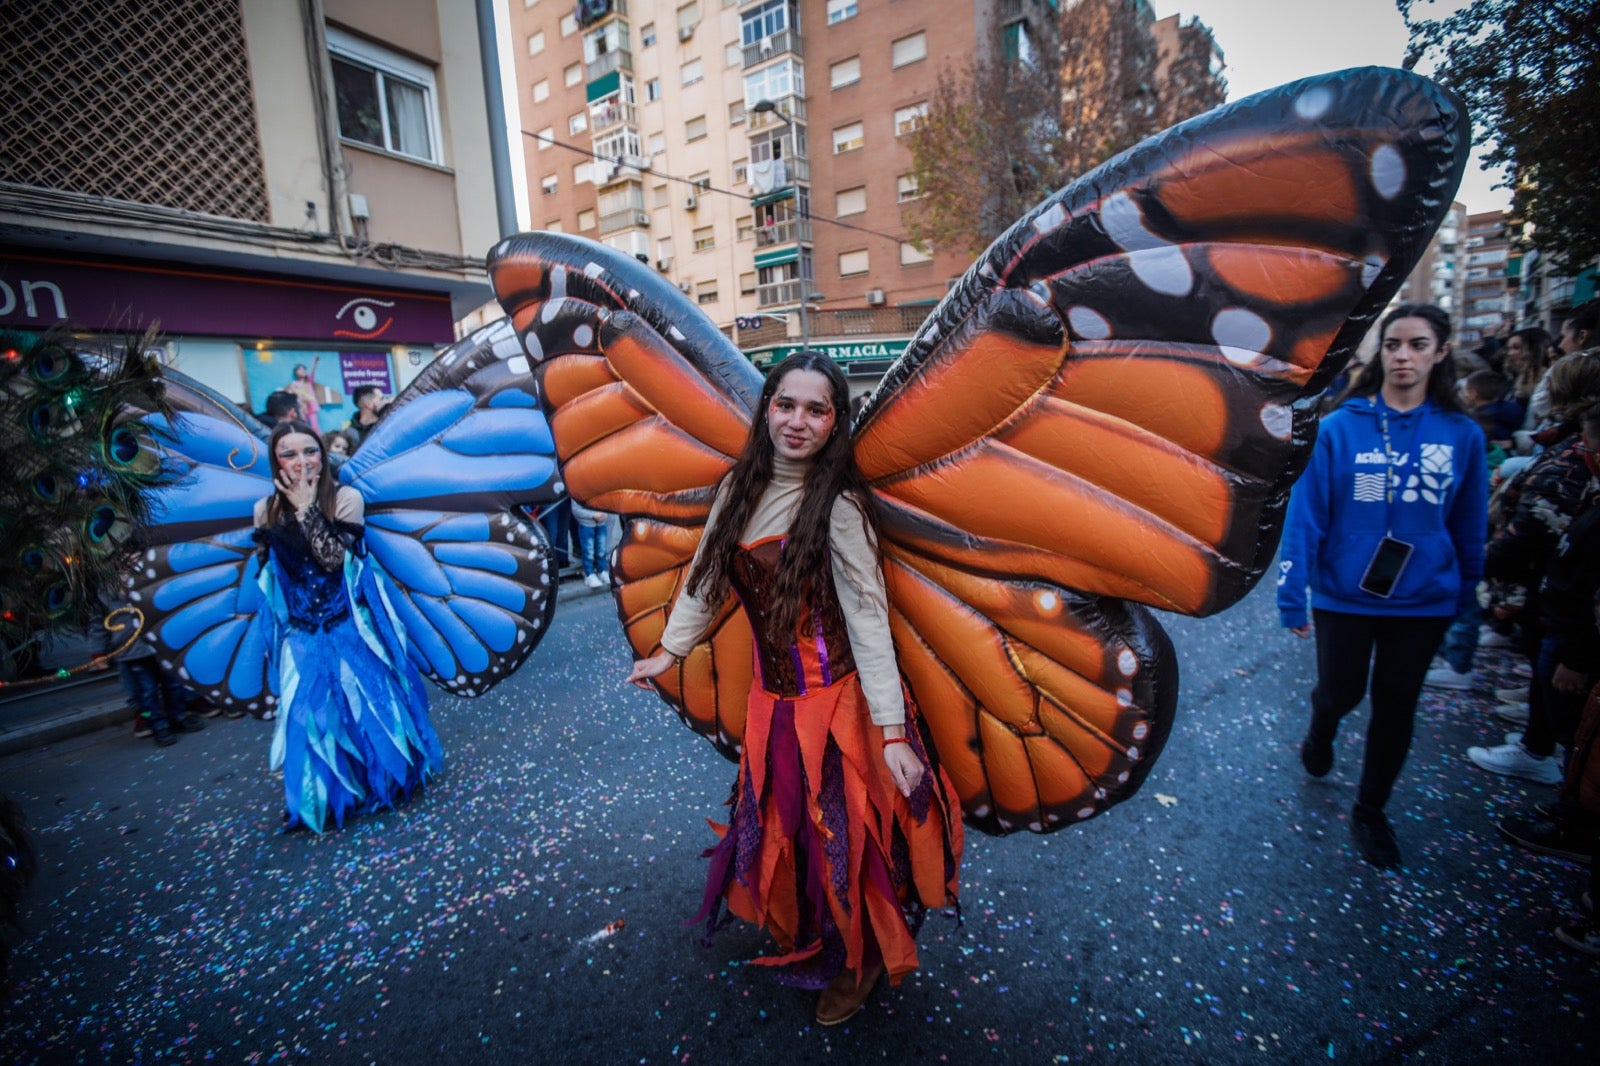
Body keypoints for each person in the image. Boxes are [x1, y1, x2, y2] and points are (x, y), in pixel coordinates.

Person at [624, 352, 962, 1026]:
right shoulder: (738, 488)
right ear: (767, 409)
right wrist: (670, 650)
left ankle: (862, 960)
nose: (797, 421)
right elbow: (707, 579)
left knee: (844, 839)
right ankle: (815, 933)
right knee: (788, 829)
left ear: (836, 422)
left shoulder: (838, 507)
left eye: (815, 409)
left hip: (837, 707)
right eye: (785, 404)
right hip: (771, 705)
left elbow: (868, 621)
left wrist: (893, 731)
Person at [1279, 304, 1488, 869]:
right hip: (1344, 596)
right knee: (1342, 692)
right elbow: (1307, 518)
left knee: (1396, 706)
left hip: (1424, 602)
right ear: (1381, 352)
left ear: (1439, 353)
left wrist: (1466, 596)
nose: (1403, 355)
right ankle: (1322, 725)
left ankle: (1371, 811)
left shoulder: (1462, 434)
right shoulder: (1340, 428)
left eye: (1418, 344)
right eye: (1393, 344)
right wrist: (1291, 592)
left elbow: (1470, 521)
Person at [253, 420, 441, 832]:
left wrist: (306, 508)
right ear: (276, 460)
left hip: (349, 626)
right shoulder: (264, 510)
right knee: (313, 717)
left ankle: (379, 782)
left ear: (323, 455)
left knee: (365, 710)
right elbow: (273, 579)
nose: (301, 461)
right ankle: (326, 793)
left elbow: (334, 560)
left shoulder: (346, 499)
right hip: (301, 634)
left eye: (310, 451)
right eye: (289, 453)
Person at [1468, 360, 1600, 785]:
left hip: (1556, 592)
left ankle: (1556, 764)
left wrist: (1479, 560)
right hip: (1547, 591)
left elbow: (1544, 530)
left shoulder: (1578, 453)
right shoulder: (1567, 440)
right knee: (1549, 672)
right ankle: (1542, 736)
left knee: (1561, 682)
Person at [570, 499, 610, 588]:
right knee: (588, 551)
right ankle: (589, 574)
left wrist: (605, 513)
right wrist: (592, 515)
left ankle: (602, 570)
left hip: (601, 523)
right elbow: (576, 510)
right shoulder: (578, 492)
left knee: (601, 549)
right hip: (586, 525)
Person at [285, 359, 323, 435]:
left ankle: (320, 440)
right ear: (295, 372)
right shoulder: (294, 383)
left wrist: (315, 363)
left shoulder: (308, 381)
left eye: (304, 369)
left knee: (315, 426)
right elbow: (292, 393)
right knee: (303, 425)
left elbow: (312, 372)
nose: (302, 371)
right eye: (300, 369)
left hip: (311, 405)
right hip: (302, 406)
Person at [343, 385, 386, 450]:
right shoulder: (350, 435)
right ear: (369, 405)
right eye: (382, 399)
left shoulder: (388, 424)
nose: (386, 401)